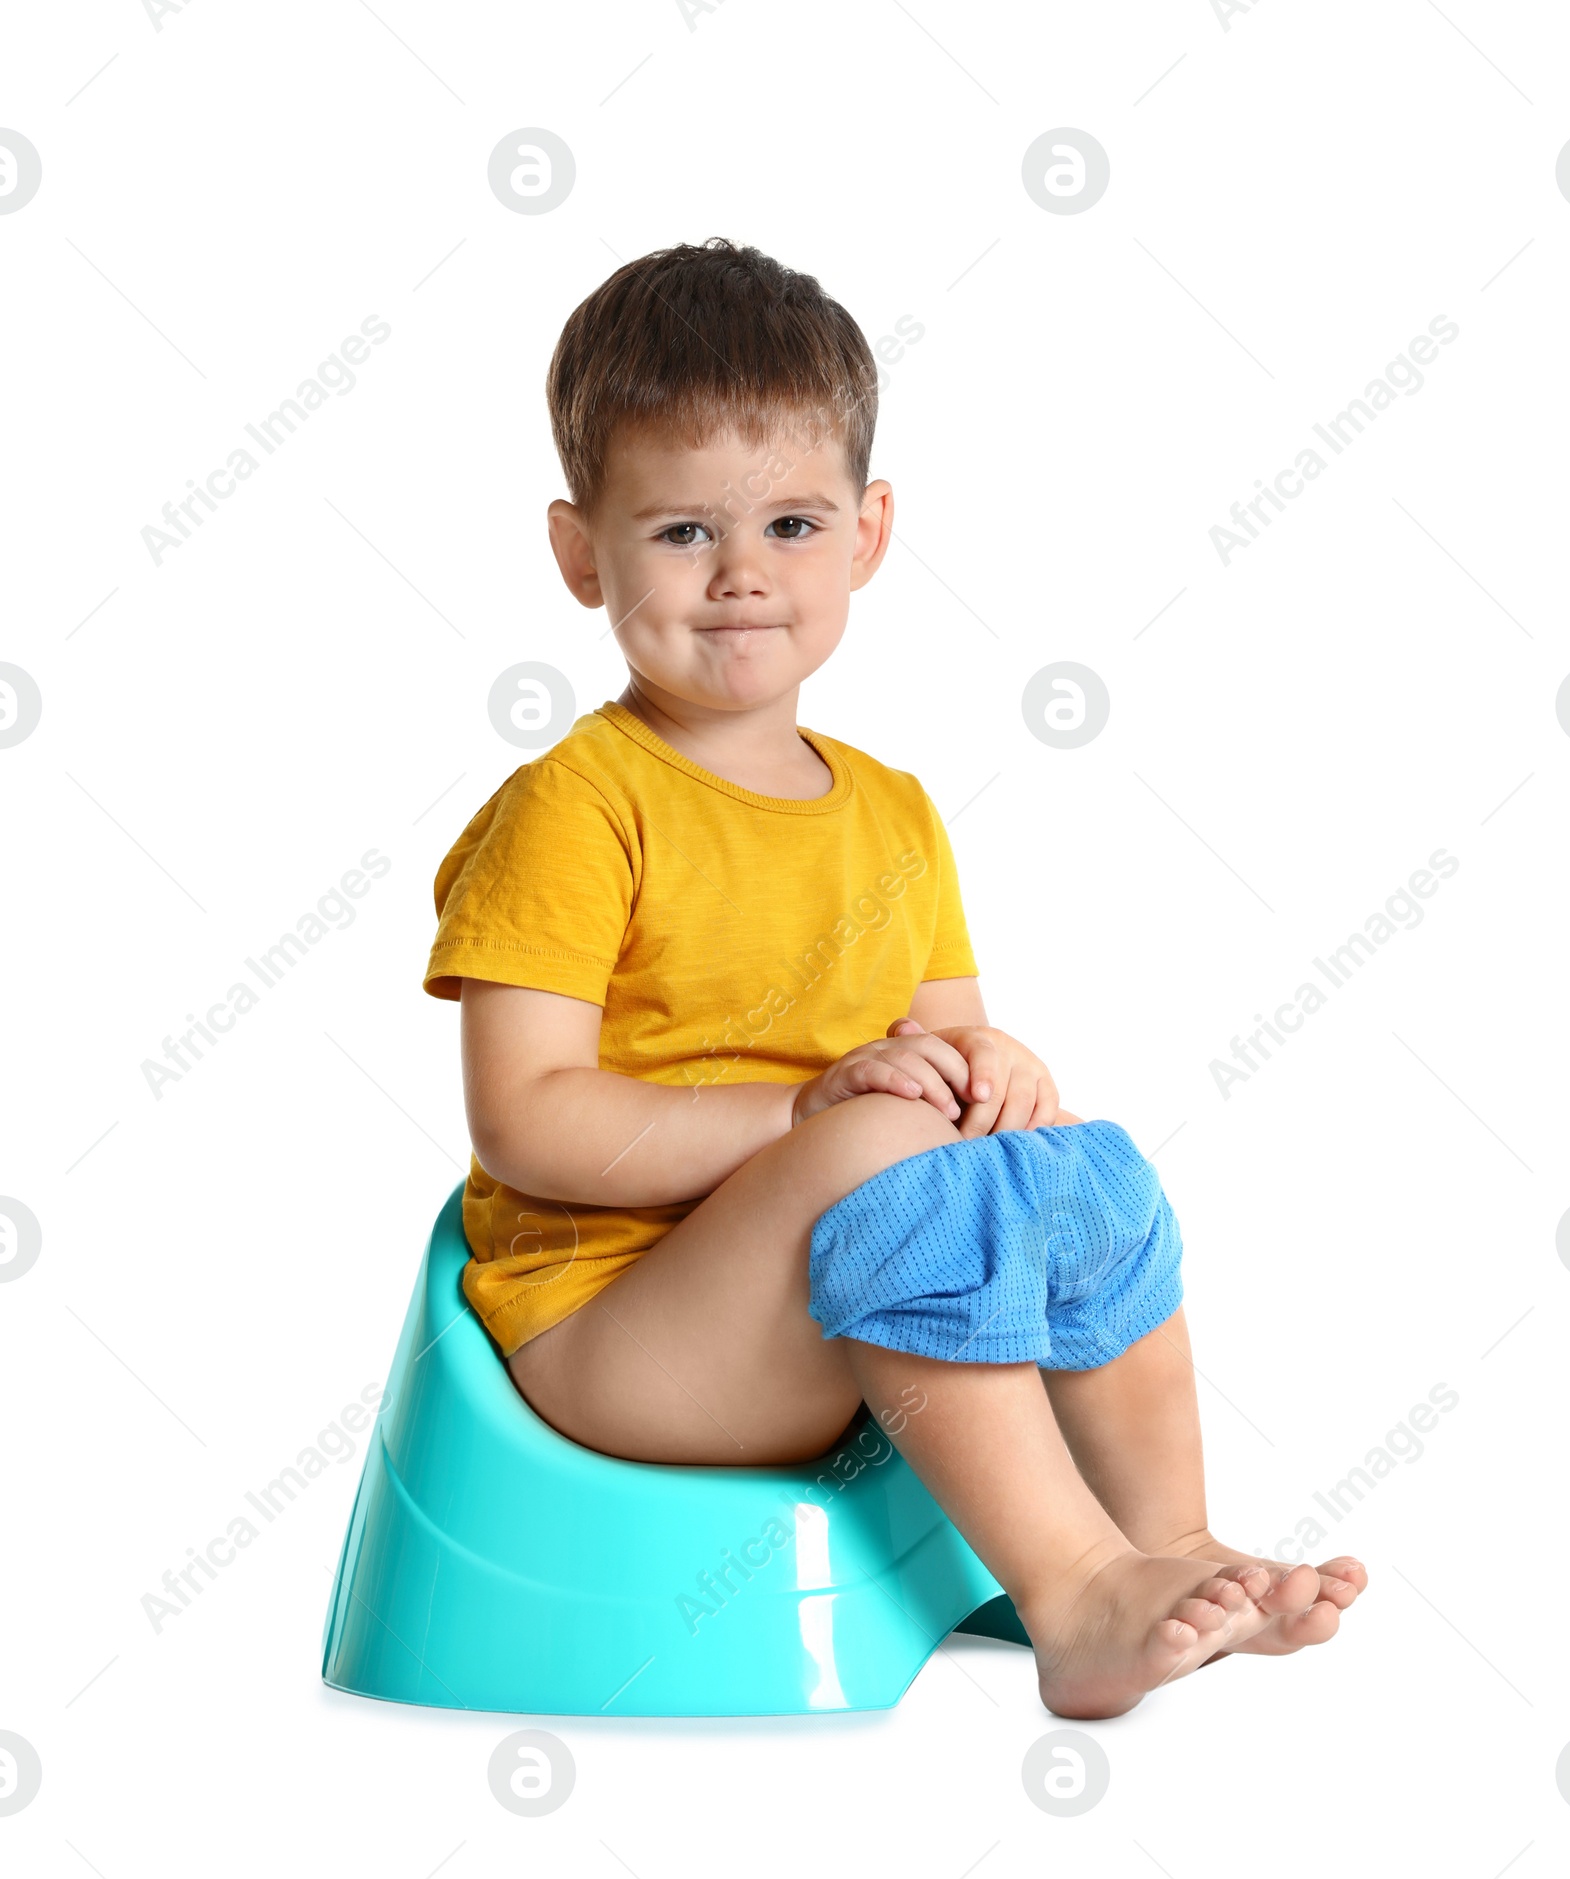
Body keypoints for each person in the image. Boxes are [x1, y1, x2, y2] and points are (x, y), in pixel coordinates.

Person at [422, 238, 1365, 1718]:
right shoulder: (578, 805)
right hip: (621, 1338)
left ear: (866, 534)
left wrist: (999, 1078)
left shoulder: (895, 811)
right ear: (579, 553)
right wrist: (815, 1115)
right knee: (884, 1147)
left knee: (1069, 1160)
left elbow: (948, 1063)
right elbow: (528, 1119)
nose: (741, 574)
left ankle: (1165, 1539)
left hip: (834, 1300)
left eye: (790, 522)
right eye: (679, 532)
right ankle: (1072, 1598)